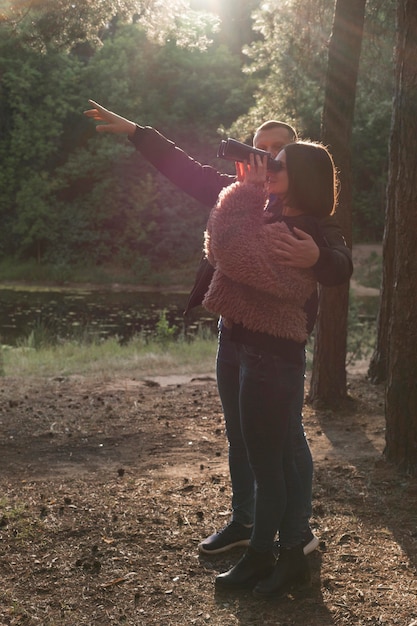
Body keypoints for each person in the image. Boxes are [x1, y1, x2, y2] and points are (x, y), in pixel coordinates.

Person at [84, 101, 352, 556]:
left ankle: (297, 532)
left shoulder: (311, 206)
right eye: (260, 146)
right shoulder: (240, 191)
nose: (266, 155)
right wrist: (136, 131)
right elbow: (184, 171)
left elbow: (342, 262)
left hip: (278, 341)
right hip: (233, 332)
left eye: (278, 148)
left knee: (285, 436)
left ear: (295, 157)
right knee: (240, 431)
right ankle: (246, 521)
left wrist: (319, 258)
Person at [203, 142, 338, 595]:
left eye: (281, 164)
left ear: (306, 177)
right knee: (271, 459)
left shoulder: (298, 233)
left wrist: (245, 189)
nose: (271, 167)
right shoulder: (276, 215)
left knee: (269, 464)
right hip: (250, 350)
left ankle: (267, 555)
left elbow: (225, 248)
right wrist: (253, 190)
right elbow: (225, 251)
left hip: (270, 359)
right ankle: (279, 554)